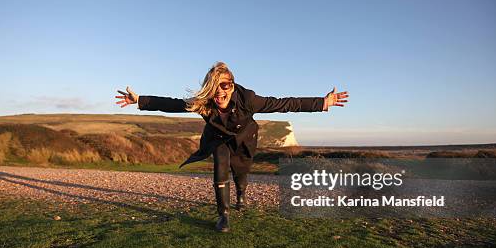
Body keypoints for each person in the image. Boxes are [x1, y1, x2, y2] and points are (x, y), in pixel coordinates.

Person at [115, 62, 349, 232]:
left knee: (242, 171)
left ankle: (241, 194)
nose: (221, 92)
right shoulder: (205, 103)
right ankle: (223, 215)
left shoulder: (248, 100)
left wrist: (322, 102)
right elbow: (174, 104)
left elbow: (284, 103)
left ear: (232, 84)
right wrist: (139, 101)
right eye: (215, 87)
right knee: (221, 166)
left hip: (245, 139)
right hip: (218, 139)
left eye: (225, 86)